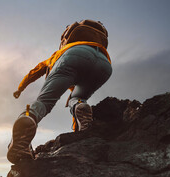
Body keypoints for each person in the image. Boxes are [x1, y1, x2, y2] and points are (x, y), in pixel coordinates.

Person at [7, 19, 113, 164]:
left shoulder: (57, 54)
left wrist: (20, 88)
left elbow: (34, 72)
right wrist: (81, 134)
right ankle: (81, 106)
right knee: (78, 97)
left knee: (44, 102)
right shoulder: (96, 45)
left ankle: (28, 120)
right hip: (104, 63)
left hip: (74, 56)